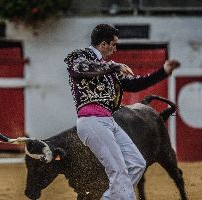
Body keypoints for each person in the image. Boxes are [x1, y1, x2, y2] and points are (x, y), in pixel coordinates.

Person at [64, 24, 180, 200]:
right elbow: (80, 69)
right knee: (119, 171)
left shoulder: (108, 67)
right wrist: (113, 66)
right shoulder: (80, 57)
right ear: (103, 44)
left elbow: (135, 84)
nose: (115, 49)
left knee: (137, 164)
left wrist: (162, 72)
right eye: (114, 44)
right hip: (92, 122)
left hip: (109, 122)